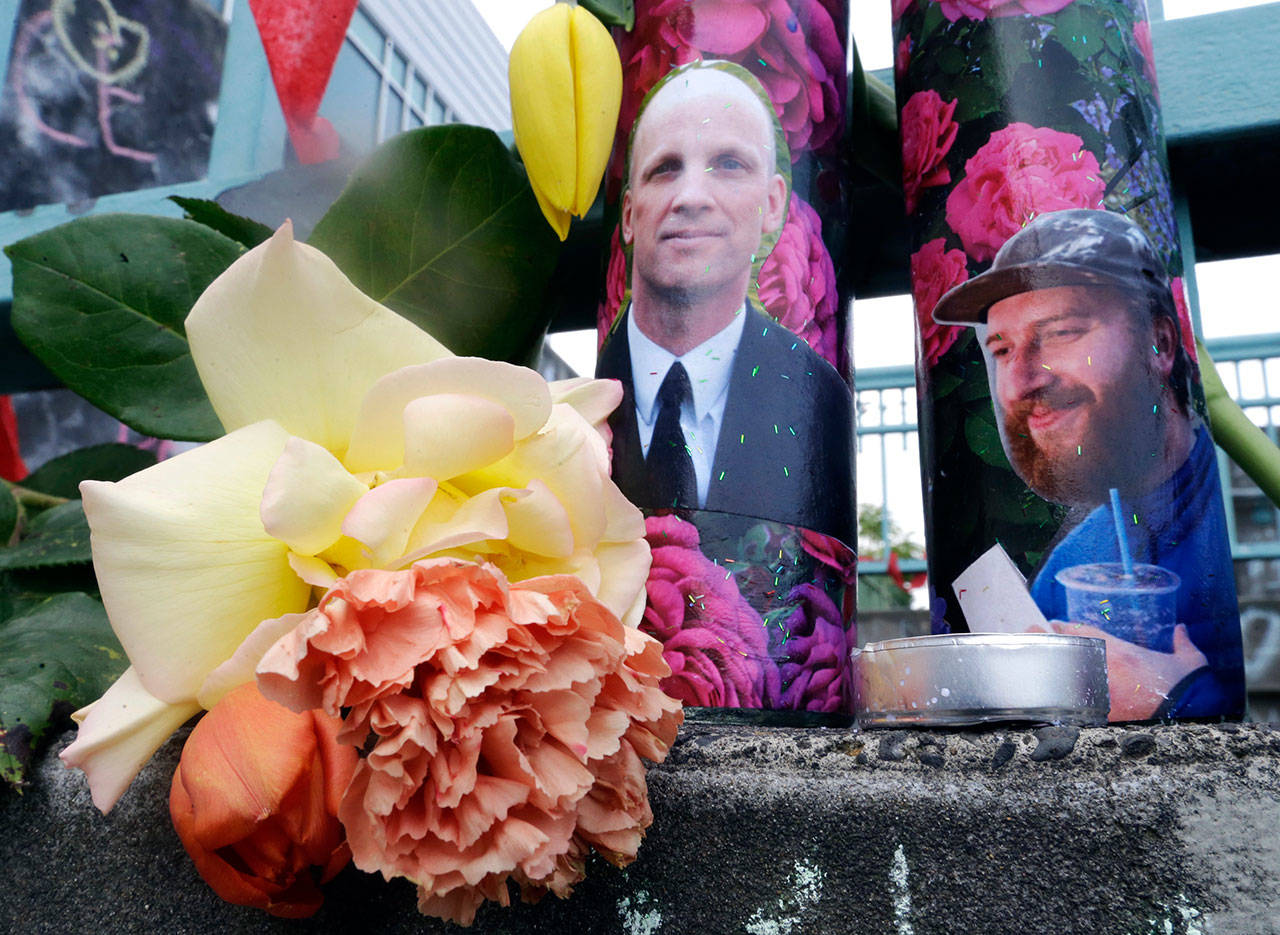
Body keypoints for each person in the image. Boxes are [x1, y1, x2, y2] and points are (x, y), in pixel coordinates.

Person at [933, 208, 1245, 719]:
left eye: (1060, 332)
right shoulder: (1068, 571)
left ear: (1161, 343)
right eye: (1003, 348)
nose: (1022, 379)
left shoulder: (1246, 502)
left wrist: (1182, 698)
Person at [596, 61, 853, 543]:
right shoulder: (577, 413)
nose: (691, 196)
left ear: (773, 204)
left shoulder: (821, 396)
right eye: (665, 169)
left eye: (729, 165)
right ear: (628, 215)